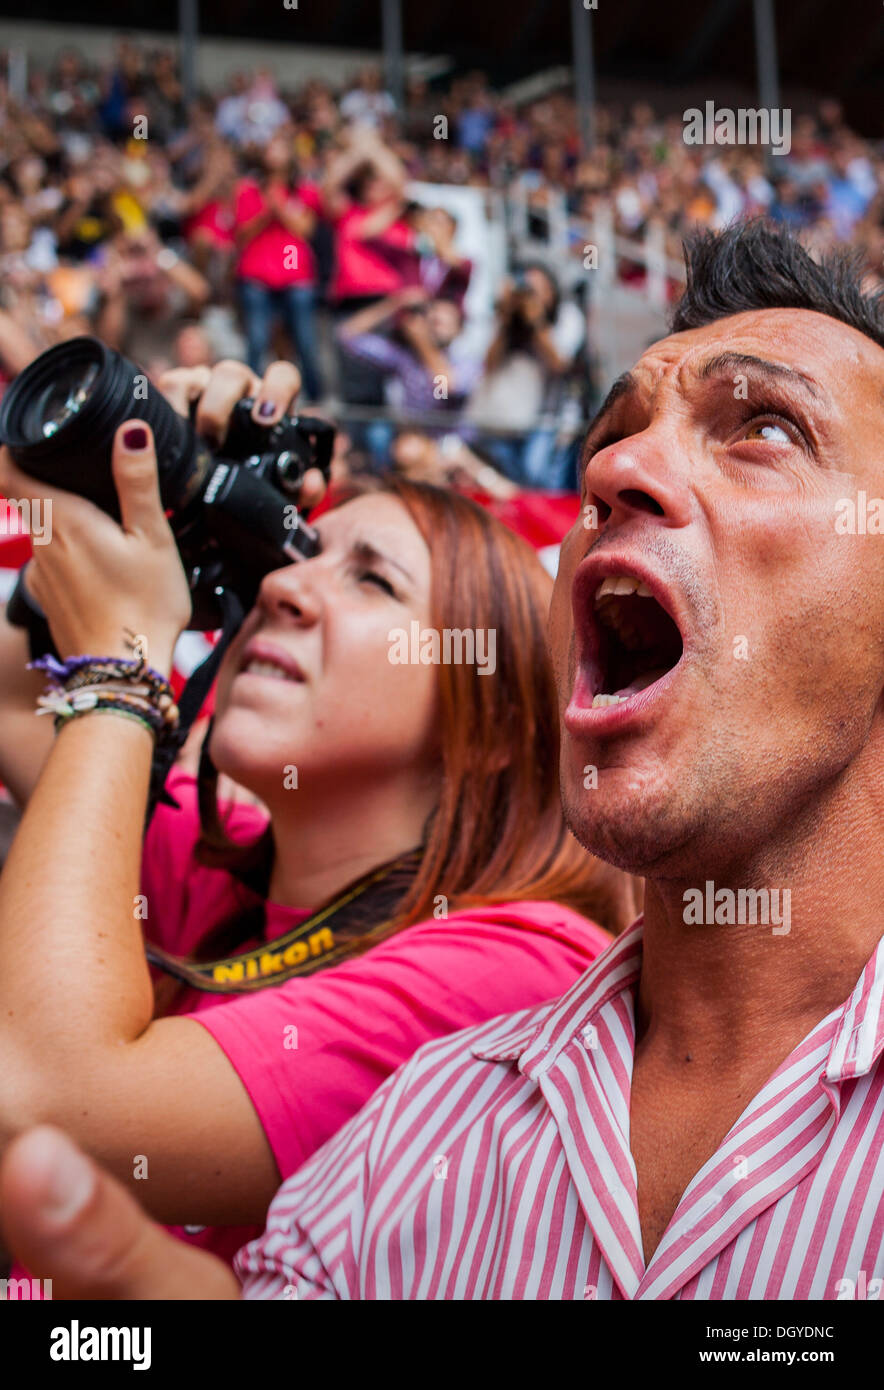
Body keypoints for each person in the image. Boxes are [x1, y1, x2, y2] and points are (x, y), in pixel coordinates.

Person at [8, 220, 884, 1301]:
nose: (611, 466)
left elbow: (35, 1094)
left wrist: (120, 665)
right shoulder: (422, 1132)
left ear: (483, 701)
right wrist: (120, 489)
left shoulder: (497, 964)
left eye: (760, 426)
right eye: (610, 434)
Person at [0, 355, 636, 1274]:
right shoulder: (227, 860)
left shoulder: (516, 970)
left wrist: (122, 669)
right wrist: (109, 508)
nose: (279, 590)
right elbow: (12, 702)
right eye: (299, 557)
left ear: (493, 723)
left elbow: (35, 1102)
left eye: (371, 582)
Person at [233, 134, 324, 399]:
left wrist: (280, 208)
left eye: (281, 146)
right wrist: (266, 214)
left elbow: (306, 230)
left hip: (294, 270)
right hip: (257, 273)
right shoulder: (247, 190)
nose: (275, 152)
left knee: (305, 340)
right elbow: (241, 235)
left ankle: (316, 396)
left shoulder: (305, 190)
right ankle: (247, 395)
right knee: (257, 339)